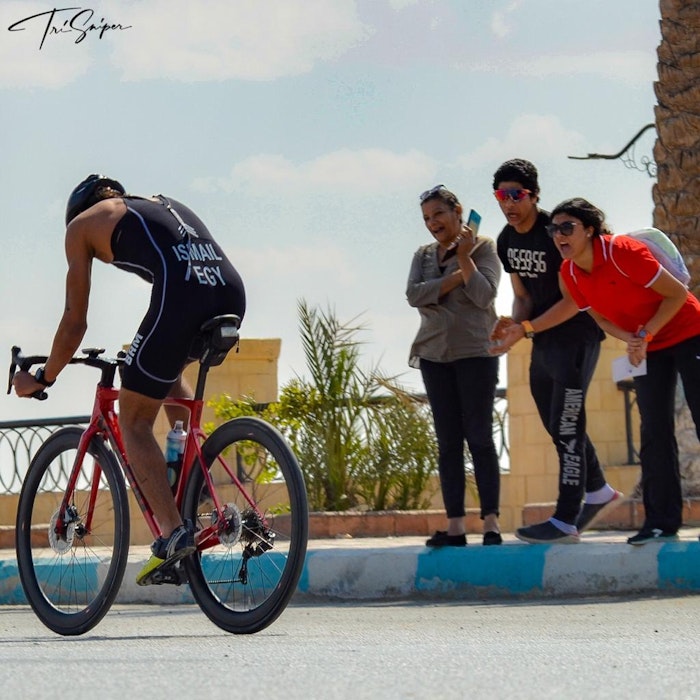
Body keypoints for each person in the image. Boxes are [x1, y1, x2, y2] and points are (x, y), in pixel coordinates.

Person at [12, 174, 246, 581]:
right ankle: (191, 478)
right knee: (161, 372)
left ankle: (172, 533)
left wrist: (44, 377)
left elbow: (74, 322)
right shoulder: (155, 204)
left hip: (184, 295)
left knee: (134, 419)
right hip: (230, 292)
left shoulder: (81, 226)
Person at [551, 197, 700, 545]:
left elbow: (677, 294)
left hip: (689, 331)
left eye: (567, 227)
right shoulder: (569, 273)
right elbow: (600, 318)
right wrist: (633, 340)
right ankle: (661, 522)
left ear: (590, 230)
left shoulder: (623, 252)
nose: (559, 235)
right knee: (654, 431)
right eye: (553, 229)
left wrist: (645, 334)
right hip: (650, 344)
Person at [489, 159, 622, 544]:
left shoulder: (556, 233)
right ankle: (598, 490)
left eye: (516, 195)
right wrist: (513, 327)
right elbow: (523, 296)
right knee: (556, 423)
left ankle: (565, 520)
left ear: (533, 195)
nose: (509, 203)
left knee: (567, 426)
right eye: (501, 196)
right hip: (544, 339)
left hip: (576, 337)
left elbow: (573, 301)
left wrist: (526, 328)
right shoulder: (506, 240)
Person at [406, 184, 503, 547]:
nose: (433, 223)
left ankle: (491, 523)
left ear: (457, 211)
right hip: (434, 356)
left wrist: (464, 259)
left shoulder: (483, 248)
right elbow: (414, 295)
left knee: (479, 437)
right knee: (448, 443)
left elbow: (484, 295)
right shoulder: (422, 255)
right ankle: (456, 526)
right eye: (427, 218)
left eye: (438, 214)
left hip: (475, 354)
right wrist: (454, 280)